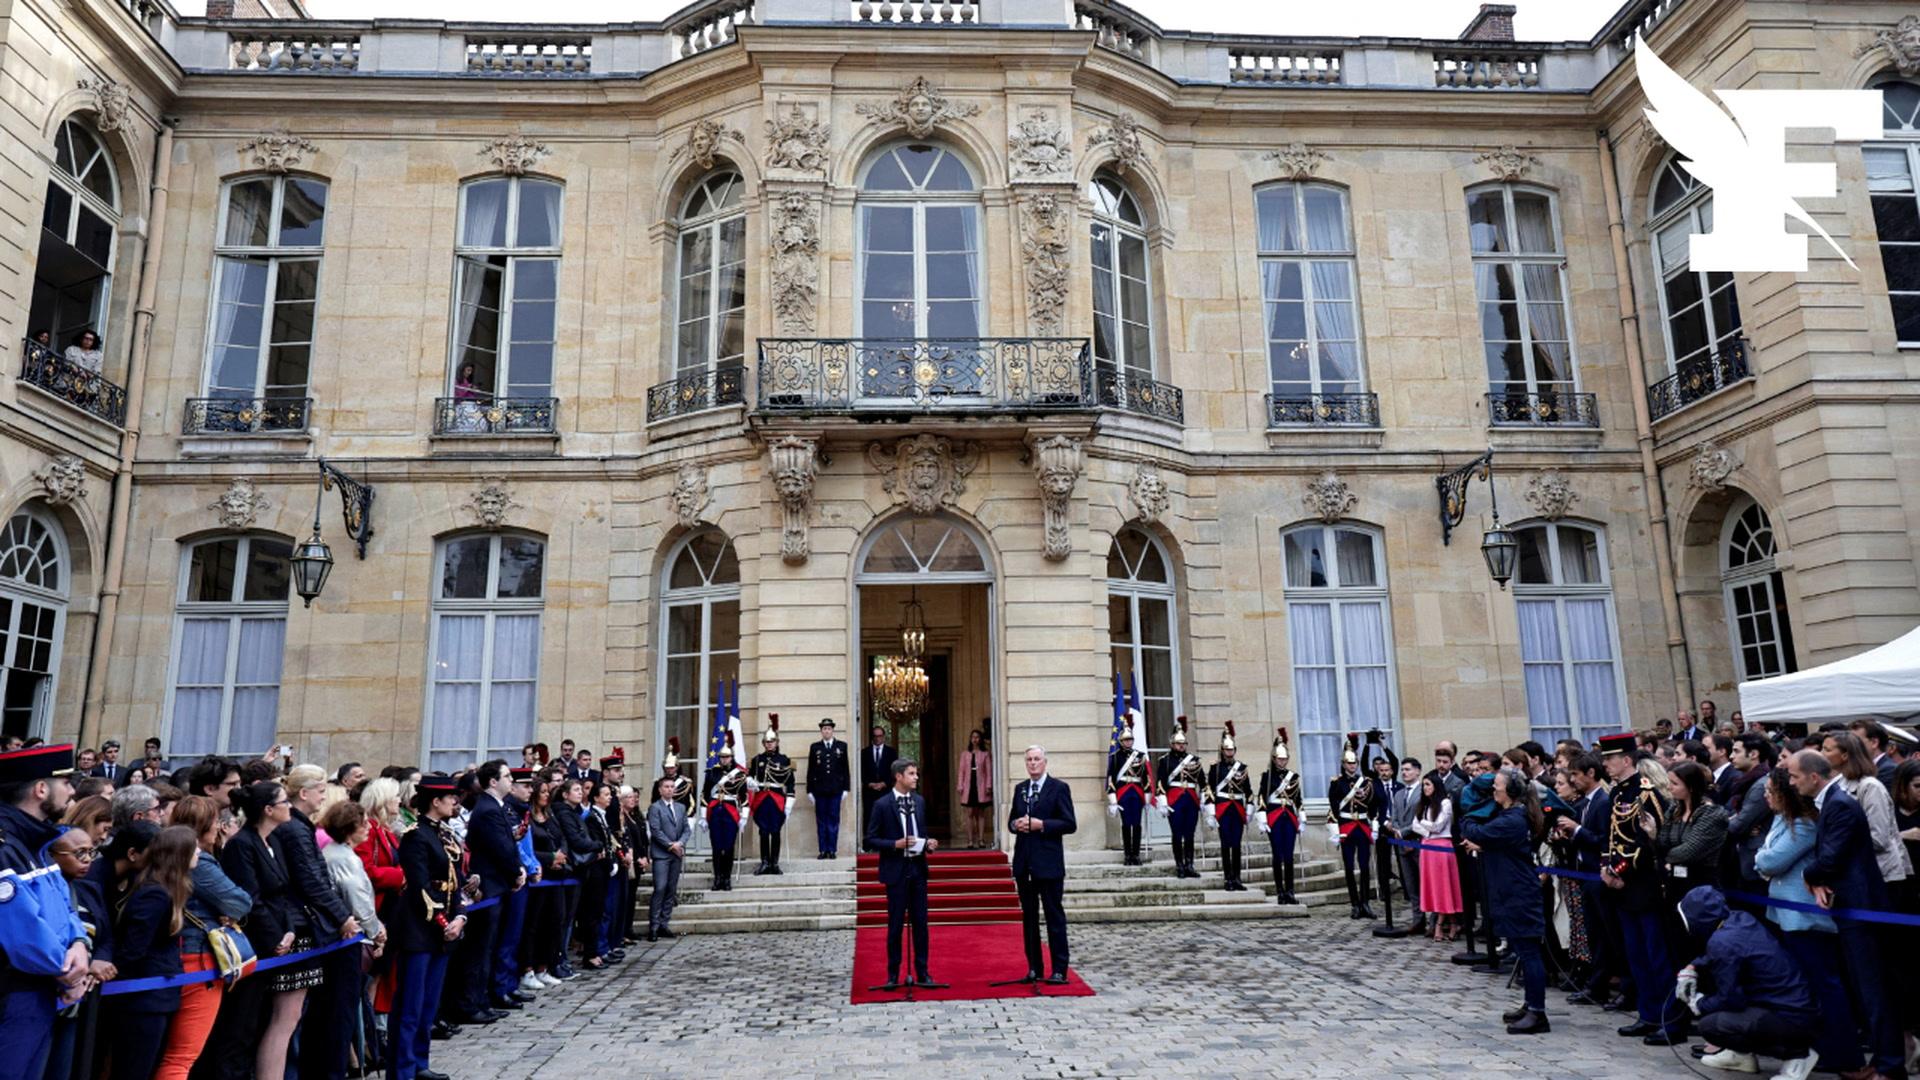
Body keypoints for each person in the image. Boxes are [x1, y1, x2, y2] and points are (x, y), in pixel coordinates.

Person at [1791, 748, 1904, 1080]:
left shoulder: (1840, 805)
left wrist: (1810, 877)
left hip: (1862, 911)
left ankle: (1890, 1068)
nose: (1793, 783)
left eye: (1796, 776)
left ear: (1814, 777)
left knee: (1874, 992)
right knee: (1863, 990)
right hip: (1851, 910)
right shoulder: (1831, 803)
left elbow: (1831, 858)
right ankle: (1882, 1061)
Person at [1755, 767, 1862, 1077]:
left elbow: (1771, 860)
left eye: (1771, 791)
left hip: (1805, 917)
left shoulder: (1804, 825)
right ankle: (1821, 1049)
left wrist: (1765, 859)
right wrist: (1765, 858)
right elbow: (1762, 857)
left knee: (1825, 986)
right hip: (1785, 915)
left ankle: (1844, 1055)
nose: (1765, 796)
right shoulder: (1780, 820)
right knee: (1807, 986)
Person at [0, 744, 90, 1080]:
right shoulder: (7, 846)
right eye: (65, 782)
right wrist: (67, 969)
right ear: (41, 789)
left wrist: (79, 943)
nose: (71, 791)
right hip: (15, 990)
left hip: (37, 989)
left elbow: (64, 907)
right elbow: (22, 932)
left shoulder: (36, 843)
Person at [1672, 885, 1821, 1080]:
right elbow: (1728, 952)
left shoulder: (1721, 942)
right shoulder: (1738, 919)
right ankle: (1741, 1055)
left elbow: (1730, 999)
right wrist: (1692, 967)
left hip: (1789, 1015)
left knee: (1710, 1025)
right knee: (1725, 1013)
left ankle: (1798, 1056)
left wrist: (1698, 1003)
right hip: (1796, 1007)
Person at [153, 796, 250, 1080]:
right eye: (215, 821)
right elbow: (238, 901)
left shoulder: (162, 849)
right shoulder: (199, 860)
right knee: (181, 1057)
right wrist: (227, 912)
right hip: (196, 961)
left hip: (171, 957)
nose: (219, 827)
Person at [281, 766, 361, 1080]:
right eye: (320, 791)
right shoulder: (295, 829)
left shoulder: (300, 827)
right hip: (312, 927)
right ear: (304, 793)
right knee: (315, 1015)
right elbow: (312, 881)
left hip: (321, 923)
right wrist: (343, 917)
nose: (324, 797)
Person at [1596, 733, 1674, 1044]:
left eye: (1610, 759)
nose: (1606, 764)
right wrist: (1606, 866)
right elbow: (1611, 837)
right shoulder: (1616, 793)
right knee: (1635, 954)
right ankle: (1648, 1012)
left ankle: (1667, 1017)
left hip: (1643, 884)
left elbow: (1649, 841)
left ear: (1626, 760)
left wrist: (1619, 871)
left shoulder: (1647, 793)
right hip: (1621, 886)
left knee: (1656, 954)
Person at [103, 824, 197, 1080]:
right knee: (133, 1070)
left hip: (154, 996)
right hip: (142, 999)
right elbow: (134, 949)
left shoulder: (166, 892)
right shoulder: (155, 895)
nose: (198, 854)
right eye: (194, 850)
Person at [388, 775, 466, 1080]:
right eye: (451, 799)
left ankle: (420, 1061)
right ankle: (402, 1069)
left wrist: (460, 917)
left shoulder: (443, 833)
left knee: (428, 1004)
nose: (454, 803)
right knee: (410, 1004)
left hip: (443, 931)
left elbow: (455, 880)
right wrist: (444, 921)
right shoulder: (415, 835)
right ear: (436, 801)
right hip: (420, 930)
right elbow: (420, 885)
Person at [1463, 767, 1550, 1034]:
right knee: (1524, 951)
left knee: (1529, 952)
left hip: (1519, 893)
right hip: (1510, 890)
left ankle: (1538, 1012)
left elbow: (1473, 829)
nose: (1494, 790)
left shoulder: (1513, 819)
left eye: (1497, 786)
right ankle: (1530, 1004)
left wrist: (1472, 813)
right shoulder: (1511, 815)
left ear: (1510, 791)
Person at [319, 800, 386, 1078]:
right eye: (363, 824)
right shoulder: (343, 857)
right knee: (344, 1009)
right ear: (350, 828)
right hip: (348, 939)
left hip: (348, 936)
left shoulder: (340, 852)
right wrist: (375, 930)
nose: (369, 828)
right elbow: (356, 896)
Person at [458, 761, 524, 1022]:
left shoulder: (498, 807)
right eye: (507, 776)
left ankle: (481, 1000)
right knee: (481, 948)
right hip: (490, 884)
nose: (511, 780)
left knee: (490, 946)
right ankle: (471, 1003)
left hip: (499, 883)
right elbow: (500, 849)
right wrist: (516, 871)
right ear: (493, 782)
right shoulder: (487, 810)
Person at [865, 758, 937, 989]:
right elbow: (870, 839)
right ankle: (893, 973)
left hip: (917, 869)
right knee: (895, 925)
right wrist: (893, 844)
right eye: (912, 774)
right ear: (898, 776)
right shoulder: (882, 805)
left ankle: (923, 972)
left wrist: (928, 844)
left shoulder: (919, 801)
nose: (916, 777)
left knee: (921, 924)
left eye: (916, 773)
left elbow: (921, 833)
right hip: (895, 871)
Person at [1008, 745, 1075, 984]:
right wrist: (1017, 824)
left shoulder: (1059, 788)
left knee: (1054, 916)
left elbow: (1069, 823)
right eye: (1029, 760)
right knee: (1029, 919)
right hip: (1025, 863)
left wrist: (1042, 824)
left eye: (1037, 759)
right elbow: (1010, 822)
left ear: (1045, 762)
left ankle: (1059, 969)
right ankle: (1034, 967)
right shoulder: (1020, 789)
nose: (1033, 763)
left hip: (1048, 863)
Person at [1327, 732, 1383, 919]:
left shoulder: (1366, 782)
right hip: (1346, 826)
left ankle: (1366, 902)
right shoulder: (1337, 783)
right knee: (1349, 867)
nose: (1352, 766)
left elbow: (1373, 805)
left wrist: (1374, 825)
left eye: (1354, 763)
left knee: (1365, 866)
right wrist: (1335, 829)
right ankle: (1355, 904)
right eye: (1349, 763)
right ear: (1343, 764)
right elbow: (1333, 807)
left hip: (1362, 826)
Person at [1412, 773, 1461, 939]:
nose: (1425, 788)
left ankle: (1440, 924)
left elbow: (1438, 826)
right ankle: (1453, 923)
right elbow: (1414, 825)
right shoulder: (1424, 805)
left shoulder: (1445, 802)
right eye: (1424, 785)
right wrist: (1426, 828)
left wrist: (1423, 824)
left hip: (1442, 847)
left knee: (1444, 887)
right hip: (1427, 847)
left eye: (1428, 784)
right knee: (1434, 887)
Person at [1154, 719, 1205, 880]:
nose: (1181, 746)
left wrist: (1204, 800)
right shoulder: (1165, 761)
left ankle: (1190, 864)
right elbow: (1160, 782)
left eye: (1183, 743)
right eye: (1178, 743)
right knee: (1177, 834)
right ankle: (1179, 865)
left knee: (1189, 834)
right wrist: (1162, 801)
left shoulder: (1194, 761)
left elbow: (1203, 782)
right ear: (1172, 744)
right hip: (1174, 799)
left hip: (1190, 799)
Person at [1257, 730, 1303, 904]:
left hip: (1289, 817)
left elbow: (1298, 798)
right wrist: (1262, 817)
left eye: (1284, 759)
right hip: (1274, 817)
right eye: (1279, 759)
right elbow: (1262, 797)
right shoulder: (1267, 777)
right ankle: (1280, 892)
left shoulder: (1293, 777)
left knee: (1289, 856)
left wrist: (1302, 815)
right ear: (1274, 759)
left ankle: (1290, 891)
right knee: (1278, 855)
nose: (1282, 762)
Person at [1207, 724, 1253, 891]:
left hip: (1238, 809)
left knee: (1237, 845)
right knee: (1226, 844)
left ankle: (1237, 878)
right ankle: (1228, 879)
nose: (1229, 753)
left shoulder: (1242, 768)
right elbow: (1209, 791)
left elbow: (1248, 791)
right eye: (1226, 750)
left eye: (1231, 750)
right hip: (1223, 809)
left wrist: (1250, 810)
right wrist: (1211, 812)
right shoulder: (1215, 768)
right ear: (1222, 750)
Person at [747, 719, 795, 873]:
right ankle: (765, 862)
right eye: (766, 741)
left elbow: (790, 783)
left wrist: (789, 803)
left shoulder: (784, 760)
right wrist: (750, 782)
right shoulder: (757, 760)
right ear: (763, 743)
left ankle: (774, 863)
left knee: (775, 831)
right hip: (762, 799)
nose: (769, 744)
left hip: (776, 799)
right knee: (763, 831)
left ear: (777, 742)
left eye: (772, 741)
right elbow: (749, 776)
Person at [645, 776, 689, 942]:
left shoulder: (680, 807)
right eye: (666, 787)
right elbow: (656, 830)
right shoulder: (655, 808)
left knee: (671, 889)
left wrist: (681, 843)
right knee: (660, 888)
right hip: (662, 854)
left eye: (672, 787)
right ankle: (654, 926)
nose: (670, 789)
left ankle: (664, 923)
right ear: (660, 790)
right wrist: (671, 845)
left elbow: (686, 828)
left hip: (676, 854)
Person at [702, 743, 748, 892]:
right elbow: (704, 795)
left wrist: (744, 817)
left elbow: (744, 797)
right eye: (722, 757)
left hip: (730, 811)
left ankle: (727, 878)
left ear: (731, 758)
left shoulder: (739, 775)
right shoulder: (711, 773)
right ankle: (718, 878)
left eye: (727, 757)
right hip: (715, 811)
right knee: (716, 847)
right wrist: (703, 817)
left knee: (728, 847)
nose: (724, 760)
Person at [1386, 754, 1424, 931]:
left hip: (1418, 842)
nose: (1404, 773)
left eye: (1408, 769)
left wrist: (1404, 831)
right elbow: (1394, 818)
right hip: (1402, 844)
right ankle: (1418, 919)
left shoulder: (1423, 790)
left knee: (1424, 882)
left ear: (1417, 771)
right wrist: (1397, 830)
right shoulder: (1399, 793)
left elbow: (1422, 817)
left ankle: (1433, 920)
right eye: (1402, 770)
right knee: (1411, 884)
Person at [1107, 725, 1151, 867]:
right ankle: (1127, 855)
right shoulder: (1115, 757)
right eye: (1126, 740)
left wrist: (1148, 798)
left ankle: (1136, 854)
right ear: (1120, 741)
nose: (1128, 742)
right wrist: (1113, 800)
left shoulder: (1140, 756)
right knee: (1126, 824)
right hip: (1123, 793)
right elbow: (1110, 779)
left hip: (1137, 792)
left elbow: (1146, 779)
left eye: (1130, 740)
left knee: (1137, 824)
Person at [806, 718, 850, 859]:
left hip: (836, 790)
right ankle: (823, 850)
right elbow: (811, 770)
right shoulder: (815, 747)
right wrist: (809, 791)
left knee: (833, 820)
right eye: (824, 729)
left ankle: (832, 850)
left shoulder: (841, 746)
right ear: (821, 731)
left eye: (829, 728)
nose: (826, 731)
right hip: (819, 790)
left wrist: (846, 789)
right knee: (821, 821)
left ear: (832, 730)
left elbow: (845, 769)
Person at [956, 726, 993, 851]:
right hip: (968, 786)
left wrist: (989, 785)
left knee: (981, 813)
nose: (975, 740)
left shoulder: (985, 754)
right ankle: (970, 840)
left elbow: (989, 772)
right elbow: (961, 771)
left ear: (980, 739)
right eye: (973, 737)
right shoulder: (965, 754)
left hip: (981, 786)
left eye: (977, 737)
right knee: (970, 813)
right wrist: (960, 785)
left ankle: (981, 839)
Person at [861, 724, 899, 823]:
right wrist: (869, 783)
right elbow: (861, 771)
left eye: (880, 736)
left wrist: (884, 783)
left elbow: (895, 771)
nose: (878, 738)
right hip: (869, 792)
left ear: (884, 737)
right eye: (875, 736)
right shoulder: (864, 752)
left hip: (886, 790)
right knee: (870, 817)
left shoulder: (891, 752)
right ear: (872, 737)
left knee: (886, 817)